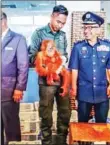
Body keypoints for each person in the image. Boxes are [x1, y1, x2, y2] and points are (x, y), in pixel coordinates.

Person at [29, 5, 71, 145]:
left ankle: (61, 139)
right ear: (52, 16)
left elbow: (64, 54)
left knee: (65, 112)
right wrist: (47, 62)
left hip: (62, 79)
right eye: (58, 21)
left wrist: (64, 59)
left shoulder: (63, 35)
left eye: (63, 23)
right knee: (46, 113)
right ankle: (46, 141)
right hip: (46, 82)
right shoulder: (39, 33)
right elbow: (31, 57)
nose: (60, 25)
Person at [69, 11, 110, 126]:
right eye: (85, 27)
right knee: (83, 124)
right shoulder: (78, 47)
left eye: (90, 28)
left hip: (102, 92)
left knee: (101, 123)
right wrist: (74, 88)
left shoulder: (107, 46)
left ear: (98, 29)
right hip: (84, 92)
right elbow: (74, 69)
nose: (86, 31)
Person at [1, 12, 29, 145]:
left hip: (9, 91)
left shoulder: (18, 39)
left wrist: (19, 88)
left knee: (11, 127)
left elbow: (23, 66)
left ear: (3, 22)